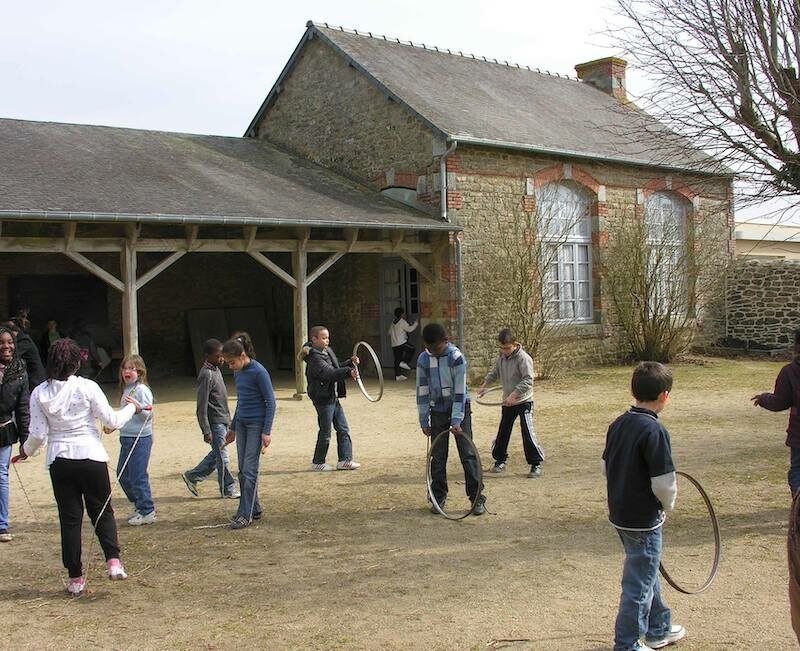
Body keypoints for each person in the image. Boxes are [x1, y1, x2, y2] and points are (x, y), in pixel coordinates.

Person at [15, 338, 140, 595]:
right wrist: (130, 409)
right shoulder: (87, 387)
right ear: (76, 362)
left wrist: (24, 452)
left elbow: (37, 435)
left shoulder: (40, 393)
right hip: (90, 455)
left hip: (60, 460)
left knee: (70, 520)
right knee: (102, 510)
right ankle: (113, 562)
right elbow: (112, 420)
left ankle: (75, 578)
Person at [602, 361, 685, 650]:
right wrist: (668, 505)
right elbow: (664, 483)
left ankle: (658, 627)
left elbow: (606, 466)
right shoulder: (655, 432)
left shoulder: (618, 424)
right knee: (638, 583)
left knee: (646, 570)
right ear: (664, 395)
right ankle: (627, 643)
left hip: (620, 513)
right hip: (642, 518)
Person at [416, 323, 485, 515]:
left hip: (460, 408)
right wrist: (423, 419)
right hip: (436, 410)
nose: (434, 352)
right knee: (437, 456)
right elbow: (421, 390)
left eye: (437, 348)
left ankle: (477, 496)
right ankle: (438, 497)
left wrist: (456, 420)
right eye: (430, 349)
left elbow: (459, 392)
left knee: (468, 454)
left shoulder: (456, 358)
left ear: (446, 341)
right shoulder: (423, 359)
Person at [222, 333, 276, 529]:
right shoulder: (239, 372)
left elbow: (271, 402)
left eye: (232, 362)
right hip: (242, 425)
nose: (230, 367)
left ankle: (244, 514)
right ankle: (255, 507)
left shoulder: (259, 372)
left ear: (243, 355)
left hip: (256, 426)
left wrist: (266, 431)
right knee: (243, 472)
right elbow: (241, 402)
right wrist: (233, 428)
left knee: (249, 470)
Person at [477, 328, 544, 478]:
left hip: (523, 401)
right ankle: (500, 460)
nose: (505, 351)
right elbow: (495, 372)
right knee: (503, 431)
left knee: (527, 433)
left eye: (507, 348)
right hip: (508, 402)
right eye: (502, 348)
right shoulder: (501, 356)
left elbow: (528, 380)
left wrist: (514, 395)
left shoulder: (524, 358)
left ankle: (535, 464)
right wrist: (484, 385)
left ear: (514, 344)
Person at [181, 338, 238, 499]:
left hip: (224, 420)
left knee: (218, 454)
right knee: (222, 456)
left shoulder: (216, 370)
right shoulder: (206, 374)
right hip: (215, 423)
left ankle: (193, 476)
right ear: (207, 356)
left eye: (222, 356)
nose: (222, 359)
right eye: (218, 356)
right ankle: (228, 488)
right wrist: (206, 429)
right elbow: (201, 405)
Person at [301, 325, 361, 472]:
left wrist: (349, 362)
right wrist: (348, 372)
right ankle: (318, 462)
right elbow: (329, 374)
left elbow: (336, 366)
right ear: (314, 339)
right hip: (323, 399)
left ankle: (344, 460)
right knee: (325, 432)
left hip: (332, 397)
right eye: (323, 338)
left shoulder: (327, 352)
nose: (327, 341)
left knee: (343, 428)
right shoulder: (314, 358)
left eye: (327, 337)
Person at [751, 327, 800, 495]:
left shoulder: (791, 371)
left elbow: (780, 402)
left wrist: (763, 398)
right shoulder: (789, 371)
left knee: (798, 471)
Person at [112, 355, 155, 526]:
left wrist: (139, 410)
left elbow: (149, 414)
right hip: (126, 438)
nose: (127, 372)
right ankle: (138, 504)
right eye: (124, 368)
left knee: (137, 476)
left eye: (131, 369)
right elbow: (124, 414)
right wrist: (114, 425)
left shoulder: (141, 390)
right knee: (122, 475)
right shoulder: (126, 390)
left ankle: (147, 510)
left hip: (140, 438)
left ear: (140, 371)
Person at [0, 325, 29, 542]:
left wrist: (26, 440)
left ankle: (1, 525)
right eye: (2, 342)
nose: (6, 346)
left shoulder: (19, 370)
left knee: (1, 475)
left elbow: (23, 407)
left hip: (4, 429)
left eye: (9, 342)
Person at [5, 318, 45, 389]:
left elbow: (12, 355)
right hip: (29, 376)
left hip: (35, 378)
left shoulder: (24, 340)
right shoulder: (20, 340)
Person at [388, 307, 418, 382]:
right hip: (401, 342)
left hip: (394, 344)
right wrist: (416, 324)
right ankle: (404, 362)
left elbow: (389, 332)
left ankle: (398, 376)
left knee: (397, 359)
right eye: (403, 313)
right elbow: (409, 329)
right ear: (402, 314)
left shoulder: (393, 322)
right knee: (411, 349)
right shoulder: (402, 321)